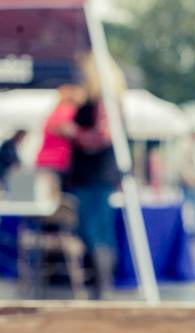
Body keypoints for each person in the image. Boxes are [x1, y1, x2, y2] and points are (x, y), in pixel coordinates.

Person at [70, 94, 121, 300]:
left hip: (94, 181)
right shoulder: (103, 104)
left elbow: (99, 138)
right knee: (97, 233)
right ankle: (102, 284)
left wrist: (74, 132)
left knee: (96, 233)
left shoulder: (102, 105)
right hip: (94, 180)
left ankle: (103, 284)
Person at [35, 85, 83, 190]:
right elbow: (68, 130)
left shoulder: (54, 111)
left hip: (47, 160)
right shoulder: (67, 110)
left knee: (52, 196)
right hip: (58, 161)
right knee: (62, 197)